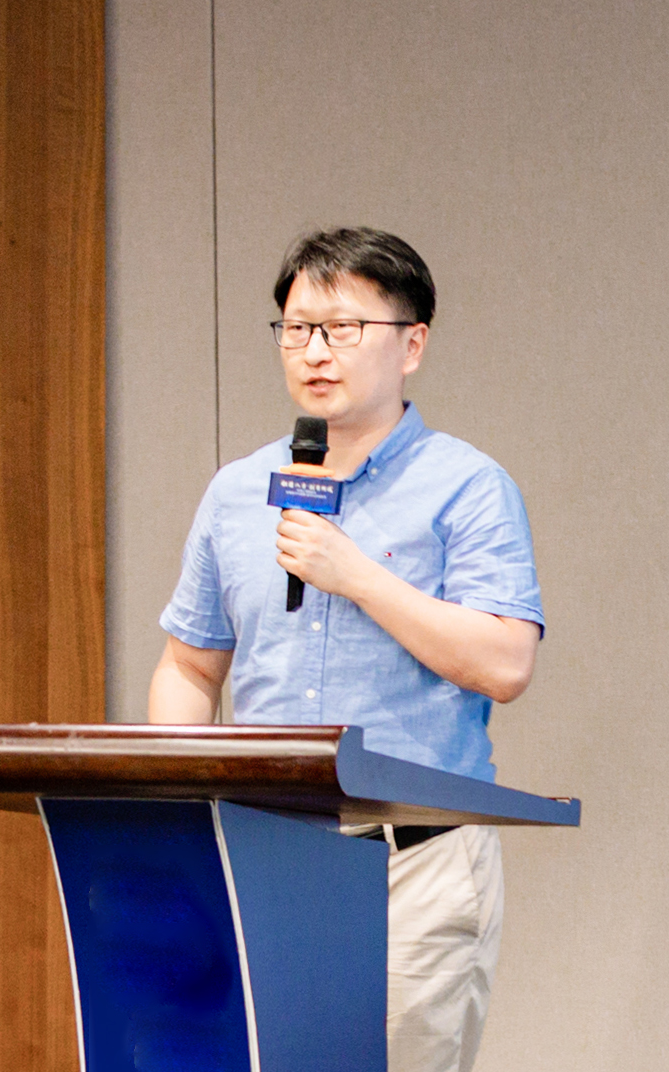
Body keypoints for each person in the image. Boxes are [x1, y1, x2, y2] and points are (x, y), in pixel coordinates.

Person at [148, 227, 545, 1072]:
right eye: (296, 329)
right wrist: (180, 801)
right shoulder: (236, 492)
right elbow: (189, 665)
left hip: (413, 863)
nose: (314, 352)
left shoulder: (467, 487)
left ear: (412, 345)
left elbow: (505, 664)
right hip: (265, 853)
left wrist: (357, 576)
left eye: (342, 329)